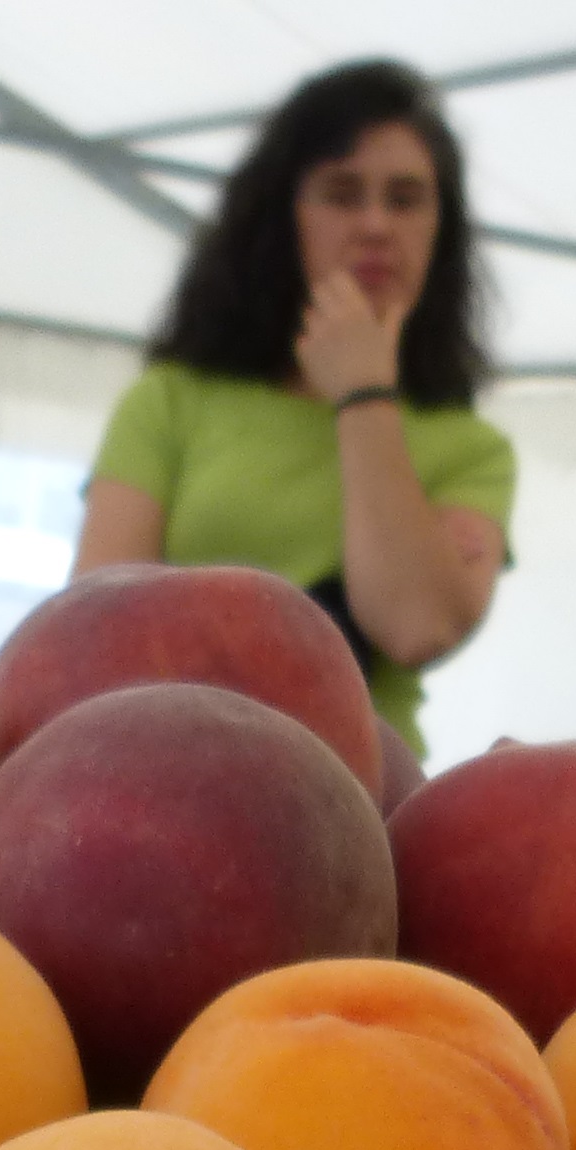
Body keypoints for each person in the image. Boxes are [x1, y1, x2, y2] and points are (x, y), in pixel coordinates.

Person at [76, 60, 513, 765]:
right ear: (284, 216)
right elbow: (93, 631)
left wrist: (365, 394)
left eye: (406, 200)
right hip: (159, 769)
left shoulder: (472, 449)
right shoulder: (170, 402)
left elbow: (415, 626)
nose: (375, 225)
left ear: (443, 228)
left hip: (368, 804)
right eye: (342, 194)